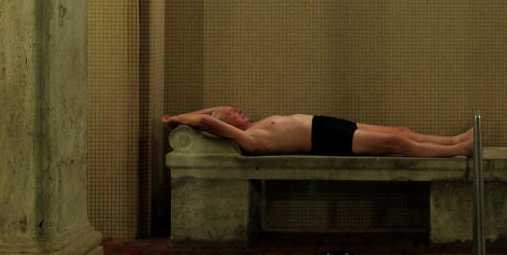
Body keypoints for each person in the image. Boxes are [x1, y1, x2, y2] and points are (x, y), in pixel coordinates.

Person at [162, 106, 474, 157]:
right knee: (395, 142)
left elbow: (214, 111)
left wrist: (184, 115)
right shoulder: (248, 138)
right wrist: (176, 118)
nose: (238, 110)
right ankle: (457, 151)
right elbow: (206, 121)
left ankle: (453, 139)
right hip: (323, 140)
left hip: (322, 123)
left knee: (400, 130)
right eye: (234, 114)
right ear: (226, 126)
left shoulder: (253, 126)